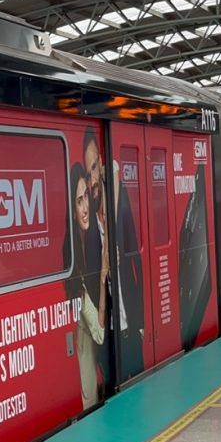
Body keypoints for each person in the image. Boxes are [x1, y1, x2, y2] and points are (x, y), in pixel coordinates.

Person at [82, 128, 145, 381]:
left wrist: (140, 323)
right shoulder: (88, 234)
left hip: (130, 329)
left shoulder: (119, 216)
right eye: (89, 174)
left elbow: (136, 260)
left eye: (96, 168)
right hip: (107, 335)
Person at [64, 163, 108, 409]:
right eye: (78, 201)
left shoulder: (83, 248)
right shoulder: (77, 276)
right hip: (88, 390)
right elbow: (100, 333)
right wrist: (102, 279)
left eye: (86, 199)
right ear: (71, 210)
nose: (85, 208)